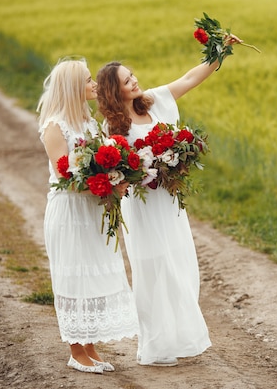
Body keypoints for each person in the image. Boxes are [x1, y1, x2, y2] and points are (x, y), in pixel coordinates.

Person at [95, 35, 240, 367]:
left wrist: (220, 52)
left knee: (179, 264)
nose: (135, 80)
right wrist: (144, 169)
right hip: (142, 206)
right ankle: (156, 346)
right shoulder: (112, 127)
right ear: (115, 92)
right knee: (152, 269)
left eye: (132, 75)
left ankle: (181, 338)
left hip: (167, 201)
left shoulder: (155, 100)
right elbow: (117, 169)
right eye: (127, 80)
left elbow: (190, 79)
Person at [36, 58, 140, 374]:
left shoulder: (90, 123)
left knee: (93, 274)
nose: (93, 84)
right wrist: (105, 184)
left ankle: (91, 347)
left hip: (91, 209)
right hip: (69, 210)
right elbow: (66, 173)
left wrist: (116, 179)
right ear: (72, 87)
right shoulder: (55, 126)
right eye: (86, 80)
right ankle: (76, 351)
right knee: (73, 275)